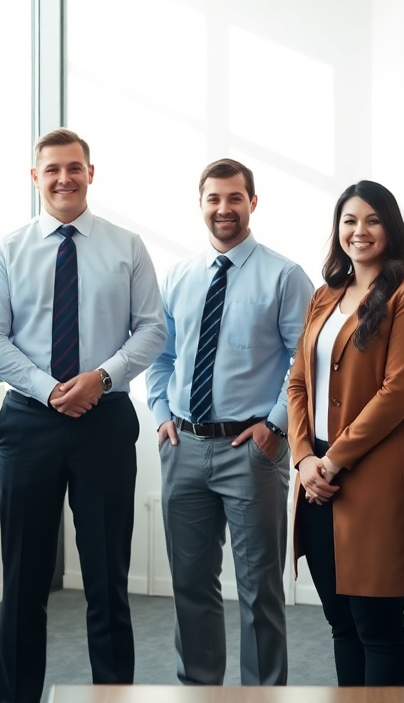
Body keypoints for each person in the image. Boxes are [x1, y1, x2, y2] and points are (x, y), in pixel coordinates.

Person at [0, 128, 167, 703]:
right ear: (35, 177)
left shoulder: (126, 245)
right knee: (24, 582)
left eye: (74, 167)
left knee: (107, 583)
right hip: (28, 424)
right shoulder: (8, 249)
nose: (64, 178)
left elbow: (153, 328)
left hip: (104, 422)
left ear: (91, 172)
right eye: (52, 169)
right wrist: (49, 387)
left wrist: (101, 378)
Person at [146, 158, 312, 686]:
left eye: (234, 198)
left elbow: (303, 362)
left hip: (251, 450)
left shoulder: (284, 276)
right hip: (185, 446)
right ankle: (199, 692)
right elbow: (161, 355)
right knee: (191, 585)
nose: (224, 209)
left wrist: (276, 426)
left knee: (259, 587)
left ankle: (264, 697)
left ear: (252, 203)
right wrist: (160, 416)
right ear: (201, 205)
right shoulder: (179, 275)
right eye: (213, 199)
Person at [289, 180, 404, 686]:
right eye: (350, 220)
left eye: (373, 220)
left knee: (377, 628)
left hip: (372, 476)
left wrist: (332, 461)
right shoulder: (324, 294)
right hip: (316, 477)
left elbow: (398, 393)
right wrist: (304, 458)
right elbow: (296, 384)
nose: (360, 231)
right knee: (341, 626)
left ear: (391, 228)